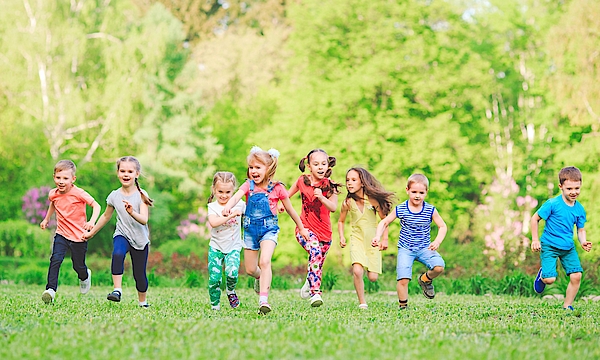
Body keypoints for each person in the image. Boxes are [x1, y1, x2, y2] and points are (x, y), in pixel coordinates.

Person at [222, 146, 310, 315]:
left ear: (268, 169)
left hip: (269, 230)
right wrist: (227, 206)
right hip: (249, 231)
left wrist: (302, 228)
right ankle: (259, 277)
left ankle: (264, 300)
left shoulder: (278, 188)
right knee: (250, 269)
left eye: (258, 167)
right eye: (251, 167)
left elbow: (291, 210)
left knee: (265, 261)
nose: (253, 171)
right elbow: (235, 197)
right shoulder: (248, 185)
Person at [83, 156, 153, 308]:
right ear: (118, 173)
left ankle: (143, 302)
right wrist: (91, 232)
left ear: (137, 174)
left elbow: (144, 219)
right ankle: (117, 290)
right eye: (122, 171)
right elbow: (106, 216)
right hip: (122, 234)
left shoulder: (142, 195)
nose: (126, 174)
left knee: (139, 275)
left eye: (130, 171)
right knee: (118, 253)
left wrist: (131, 212)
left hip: (140, 240)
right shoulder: (114, 196)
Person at [372, 174, 447, 310]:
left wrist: (437, 241)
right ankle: (403, 307)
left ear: (426, 193)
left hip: (425, 248)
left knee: (439, 267)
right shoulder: (401, 209)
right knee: (403, 279)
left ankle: (425, 280)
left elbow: (443, 226)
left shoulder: (430, 210)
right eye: (414, 192)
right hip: (406, 249)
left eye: (421, 192)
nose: (417, 196)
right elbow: (385, 222)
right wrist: (378, 236)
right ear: (407, 190)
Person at [40, 160, 101, 304]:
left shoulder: (79, 193)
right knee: (55, 259)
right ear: (54, 177)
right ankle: (50, 290)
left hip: (79, 236)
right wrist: (46, 219)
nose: (61, 181)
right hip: (61, 233)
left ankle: (85, 276)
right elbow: (53, 204)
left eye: (65, 178)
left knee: (77, 265)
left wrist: (92, 222)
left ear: (73, 179)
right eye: (58, 177)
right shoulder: (53, 194)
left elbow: (96, 206)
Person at [530, 166, 591, 311]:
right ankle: (542, 275)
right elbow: (534, 219)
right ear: (561, 187)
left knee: (576, 276)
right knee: (550, 280)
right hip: (549, 245)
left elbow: (580, 229)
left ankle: (567, 305)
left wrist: (583, 241)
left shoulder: (579, 209)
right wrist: (535, 239)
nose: (574, 192)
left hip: (568, 248)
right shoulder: (552, 204)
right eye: (569, 188)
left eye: (577, 188)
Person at [287, 149, 340, 307]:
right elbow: (286, 195)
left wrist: (322, 197)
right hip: (304, 229)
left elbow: (333, 207)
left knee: (317, 263)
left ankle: (309, 283)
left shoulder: (331, 186)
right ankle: (316, 293)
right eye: (316, 164)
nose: (320, 167)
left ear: (328, 165)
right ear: (309, 166)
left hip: (325, 234)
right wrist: (280, 205)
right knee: (315, 251)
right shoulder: (302, 181)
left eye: (323, 163)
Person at [338, 167, 394, 309]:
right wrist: (341, 236)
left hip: (372, 241)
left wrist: (384, 239)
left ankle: (370, 276)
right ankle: (362, 302)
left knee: (373, 278)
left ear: (362, 183)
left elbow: (384, 220)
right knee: (357, 271)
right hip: (356, 239)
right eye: (347, 180)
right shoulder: (347, 203)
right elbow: (341, 221)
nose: (349, 183)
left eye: (353, 180)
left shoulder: (373, 201)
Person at [206, 172, 245, 311]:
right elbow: (214, 222)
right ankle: (215, 306)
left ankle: (230, 291)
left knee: (232, 273)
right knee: (215, 279)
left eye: (228, 192)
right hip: (216, 247)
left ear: (233, 190)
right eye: (220, 191)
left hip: (234, 247)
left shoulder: (240, 204)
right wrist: (232, 215)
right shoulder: (213, 207)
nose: (224, 195)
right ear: (214, 190)